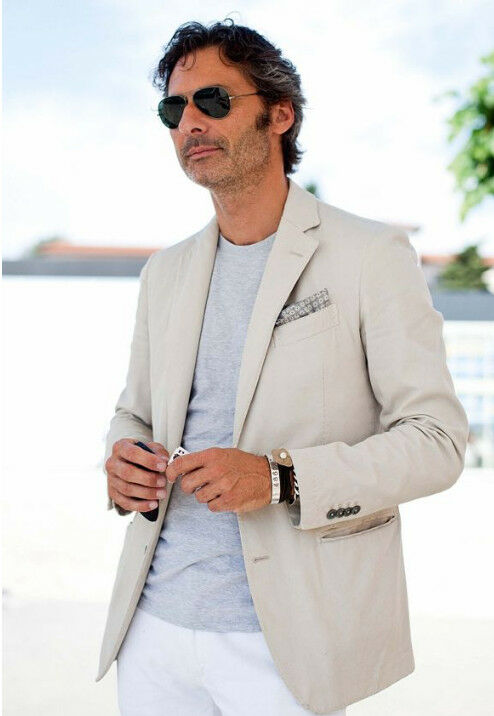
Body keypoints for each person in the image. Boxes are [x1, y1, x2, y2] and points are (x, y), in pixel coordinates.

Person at [96, 18, 469, 716]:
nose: (190, 123)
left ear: (280, 114)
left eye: (214, 100)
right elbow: (135, 411)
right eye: (173, 109)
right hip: (152, 629)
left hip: (286, 642)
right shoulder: (164, 273)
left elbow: (437, 442)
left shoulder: (369, 255)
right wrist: (122, 459)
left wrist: (278, 477)